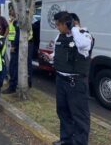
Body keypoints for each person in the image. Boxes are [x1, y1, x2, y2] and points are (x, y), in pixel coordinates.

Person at [44, 12, 93, 145]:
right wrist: (52, 57)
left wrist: (74, 28)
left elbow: (83, 46)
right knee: (63, 112)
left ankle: (79, 142)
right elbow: (57, 50)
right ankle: (66, 139)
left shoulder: (84, 35)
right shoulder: (60, 36)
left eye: (59, 24)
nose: (57, 27)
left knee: (79, 116)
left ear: (68, 24)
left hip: (75, 83)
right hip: (61, 80)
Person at [3, 7, 34, 94]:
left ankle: (12, 86)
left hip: (20, 44)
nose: (10, 11)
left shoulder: (18, 21)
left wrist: (14, 46)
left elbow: (18, 34)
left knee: (13, 66)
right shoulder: (24, 19)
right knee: (27, 65)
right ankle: (28, 83)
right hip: (27, 43)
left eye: (11, 9)